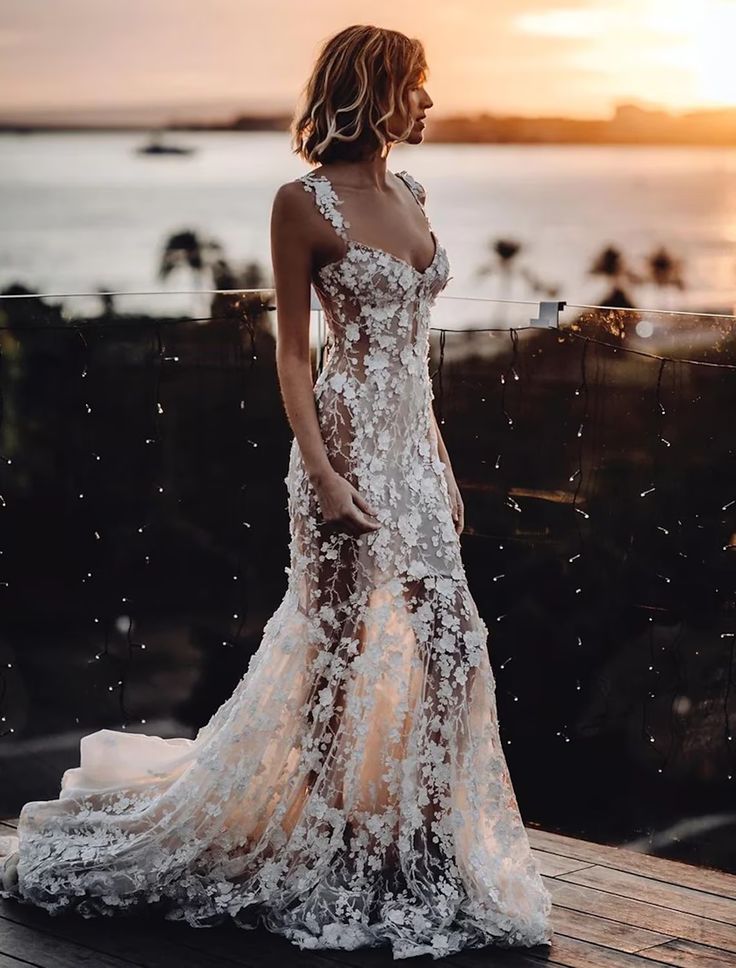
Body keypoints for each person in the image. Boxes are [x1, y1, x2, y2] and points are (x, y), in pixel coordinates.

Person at [1, 23, 553, 961]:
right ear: (377, 89)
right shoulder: (301, 205)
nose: (429, 103)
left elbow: (412, 356)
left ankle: (427, 844)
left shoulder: (413, 192)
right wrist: (327, 472)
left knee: (454, 647)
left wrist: (442, 460)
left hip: (412, 456)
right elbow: (295, 354)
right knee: (335, 659)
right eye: (418, 87)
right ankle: (332, 848)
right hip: (338, 449)